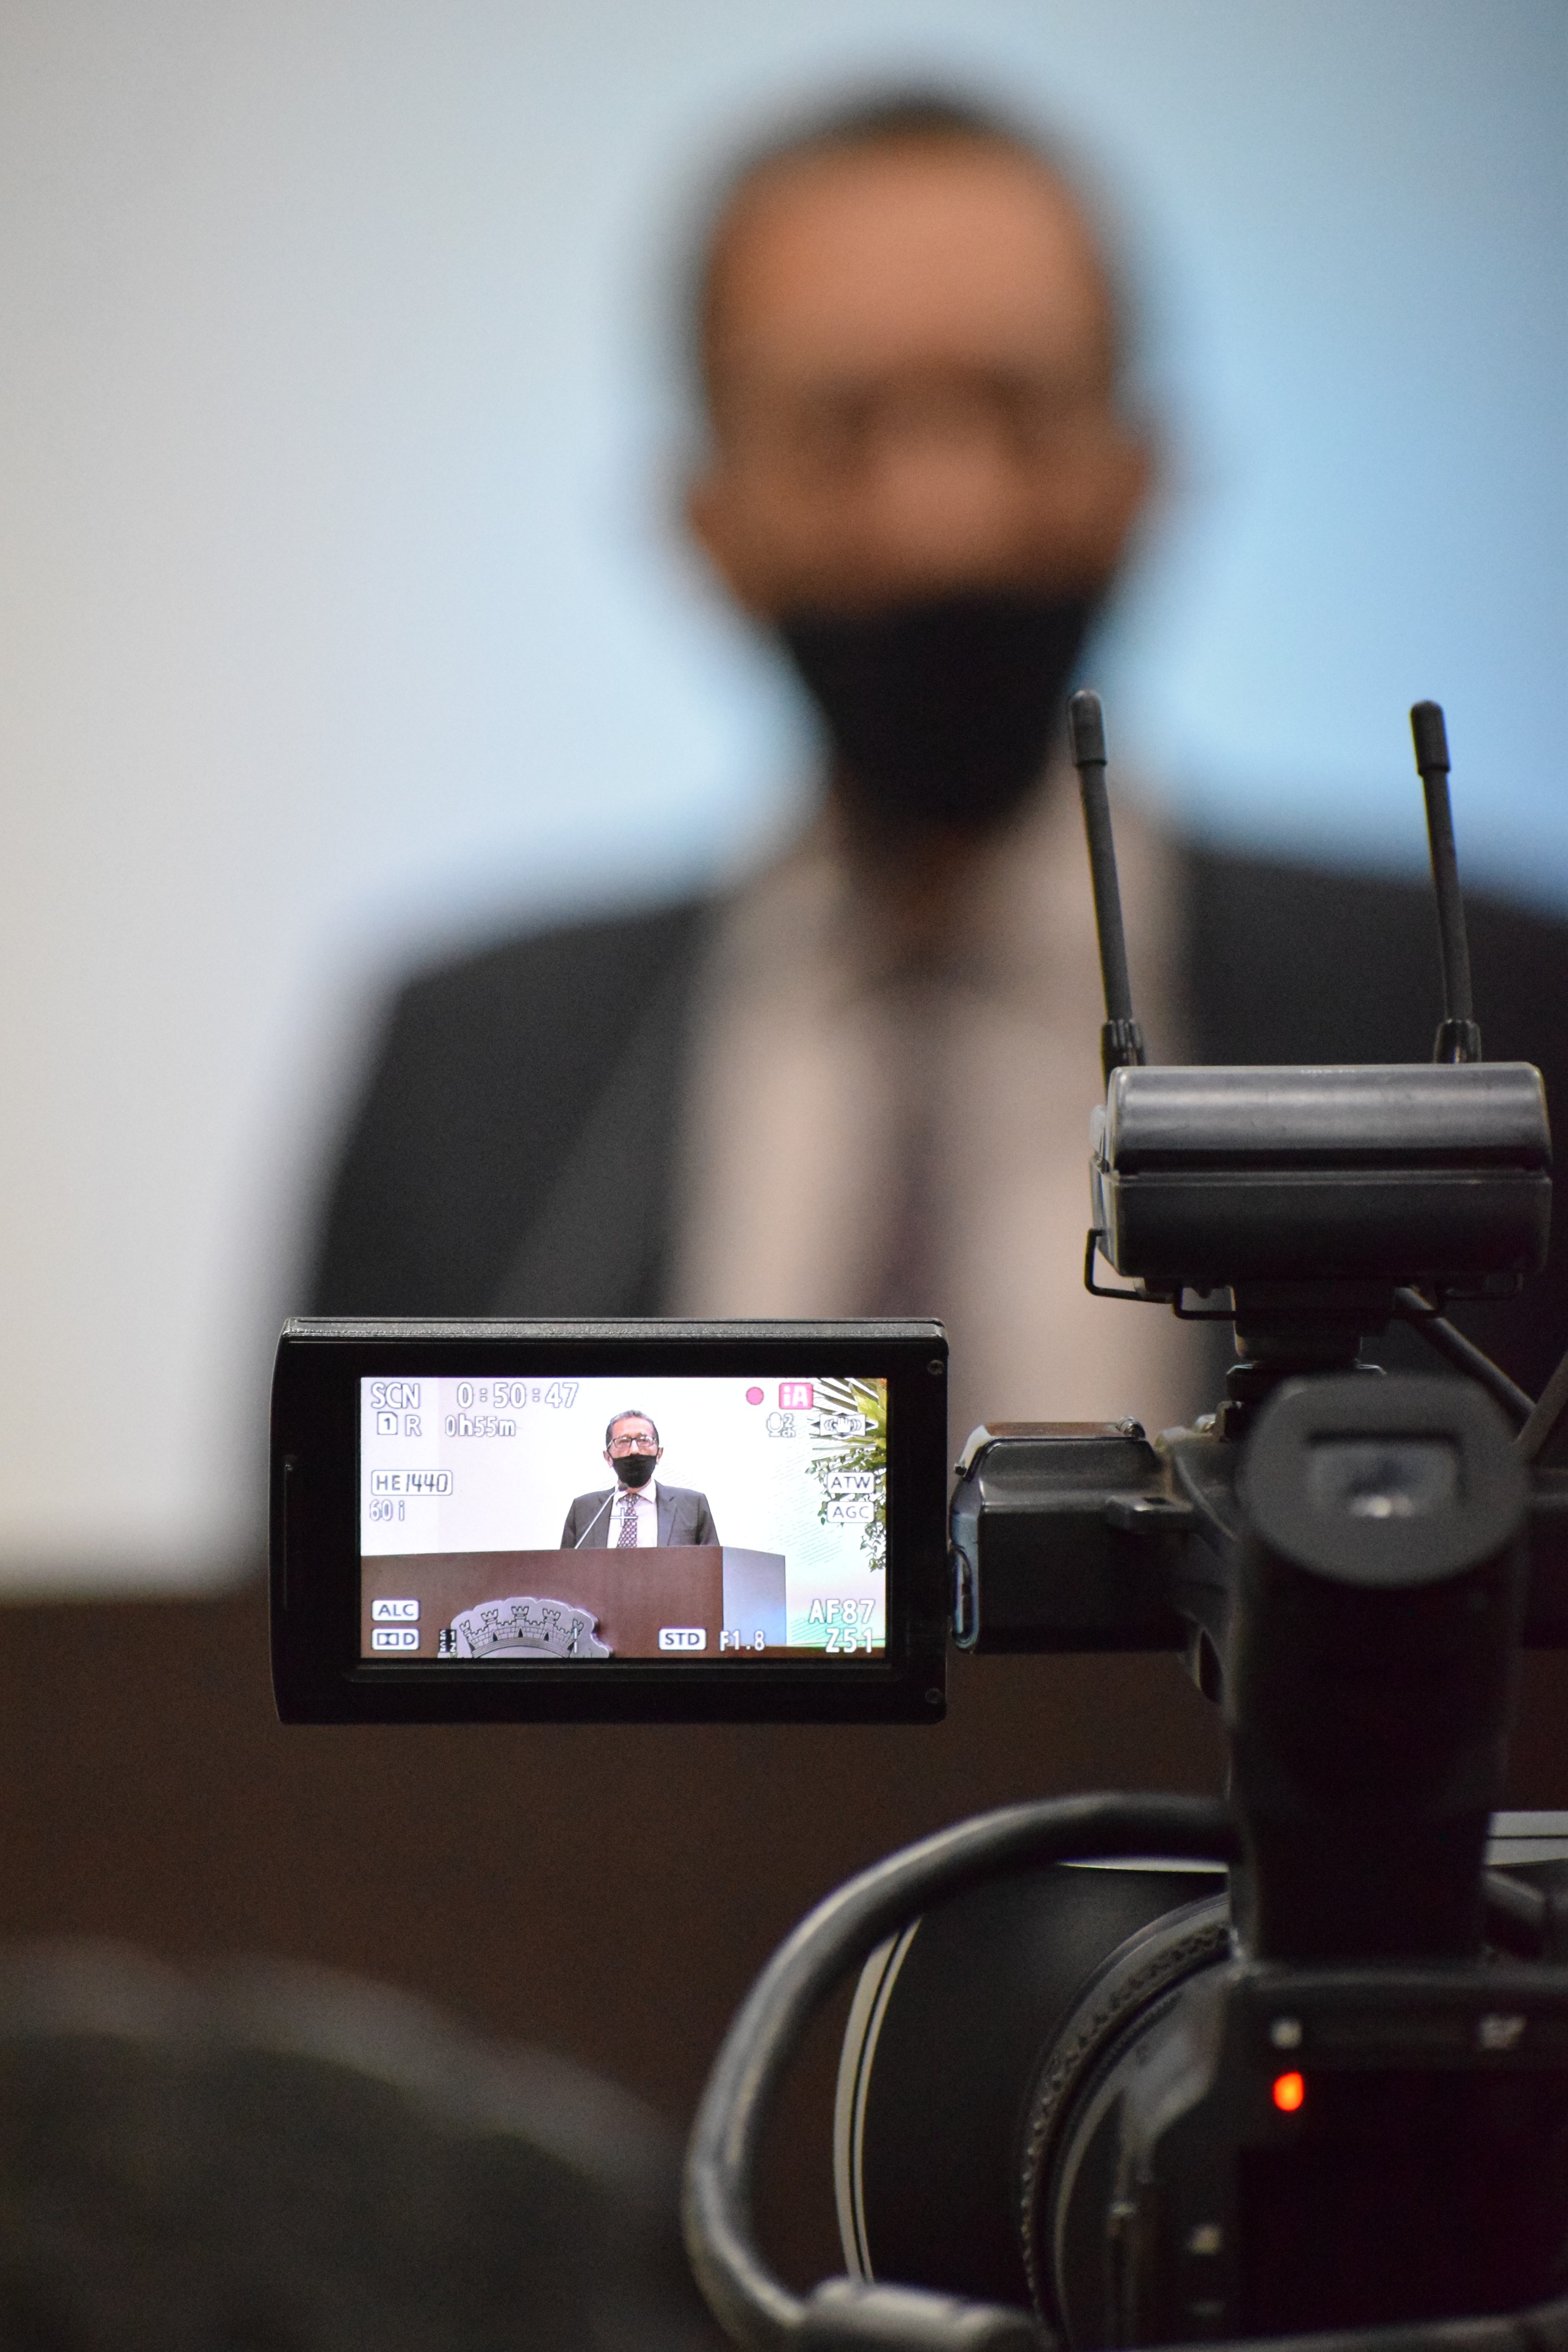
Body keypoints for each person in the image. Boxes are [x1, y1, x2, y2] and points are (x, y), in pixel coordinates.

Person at [309, 89, 1568, 1438]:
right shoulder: (471, 1068)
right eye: (840, 429)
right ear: (704, 516)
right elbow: (309, 1553)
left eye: (1019, 412)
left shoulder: (1489, 1015)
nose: (944, 522)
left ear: (1141, 471)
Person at [560, 1409, 720, 1549]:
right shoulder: (583, 1510)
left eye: (644, 1440)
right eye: (623, 1441)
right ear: (608, 1458)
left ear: (659, 1454)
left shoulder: (692, 1505)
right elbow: (565, 1568)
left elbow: (713, 1567)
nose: (635, 1450)